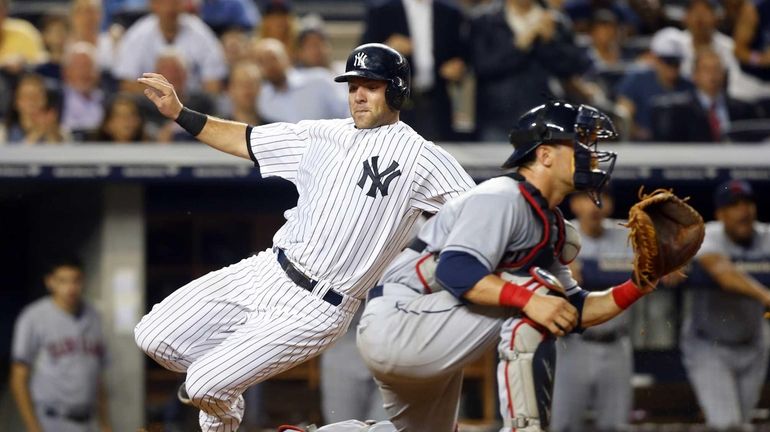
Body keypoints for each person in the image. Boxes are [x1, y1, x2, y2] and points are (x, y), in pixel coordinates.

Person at [133, 43, 475, 431]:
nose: (359, 95)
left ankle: (220, 400)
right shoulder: (321, 133)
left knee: (204, 385)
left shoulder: (422, 157)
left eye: (371, 86)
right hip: (268, 269)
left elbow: (481, 211)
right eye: (352, 86)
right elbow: (245, 140)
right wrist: (180, 113)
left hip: (320, 305)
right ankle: (222, 386)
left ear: (396, 91)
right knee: (154, 336)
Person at [353, 101, 657, 432]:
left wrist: (639, 284)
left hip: (424, 329)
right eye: (579, 142)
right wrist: (531, 301)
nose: (591, 153)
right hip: (401, 320)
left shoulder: (549, 222)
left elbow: (574, 310)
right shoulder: (502, 196)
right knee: (537, 291)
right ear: (544, 155)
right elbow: (456, 272)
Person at [680, 179, 770, 431]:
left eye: (748, 203)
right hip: (710, 344)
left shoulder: (765, 235)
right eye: (735, 205)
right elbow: (722, 271)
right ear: (720, 214)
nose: (744, 210)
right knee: (726, 424)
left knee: (741, 422)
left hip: (752, 343)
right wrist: (765, 296)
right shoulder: (709, 235)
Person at [550, 189, 635, 432]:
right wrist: (561, 267)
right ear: (574, 204)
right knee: (564, 424)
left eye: (602, 198)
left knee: (615, 425)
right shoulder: (561, 234)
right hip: (573, 344)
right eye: (587, 199)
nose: (595, 206)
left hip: (616, 341)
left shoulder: (627, 235)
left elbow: (657, 264)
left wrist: (666, 263)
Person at [10, 257, 111, 432]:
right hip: (51, 419)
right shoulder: (33, 317)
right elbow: (18, 376)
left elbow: (97, 375)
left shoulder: (94, 315)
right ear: (50, 282)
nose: (70, 287)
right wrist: (33, 427)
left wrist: (104, 422)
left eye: (76, 280)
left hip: (88, 420)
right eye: (63, 281)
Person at [361, 0, 469, 141]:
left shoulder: (450, 12)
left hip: (436, 104)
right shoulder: (382, 11)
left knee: (435, 158)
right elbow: (363, 59)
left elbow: (462, 58)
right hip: (394, 104)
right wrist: (386, 48)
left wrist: (458, 68)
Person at [112, 0, 227, 94]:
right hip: (151, 105)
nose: (170, 9)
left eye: (175, 2)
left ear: (183, 4)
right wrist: (160, 95)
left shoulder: (201, 34)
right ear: (153, 4)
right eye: (164, 2)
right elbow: (126, 83)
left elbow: (213, 83)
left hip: (192, 105)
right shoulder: (138, 35)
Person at [651, 47, 759, 142]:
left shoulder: (743, 109)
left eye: (716, 69)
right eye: (706, 70)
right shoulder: (678, 111)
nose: (712, 75)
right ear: (694, 75)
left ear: (724, 74)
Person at [252, 38, 347, 123]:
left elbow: (347, 111)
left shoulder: (320, 80)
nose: (269, 65)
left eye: (273, 58)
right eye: (262, 61)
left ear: (287, 57)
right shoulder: (263, 99)